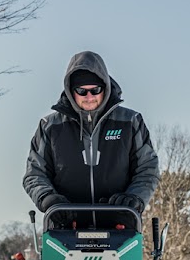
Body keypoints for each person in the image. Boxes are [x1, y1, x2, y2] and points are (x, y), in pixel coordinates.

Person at [23, 51, 159, 227]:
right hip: (66, 227)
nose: (89, 97)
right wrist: (48, 199)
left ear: (105, 87)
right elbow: (34, 173)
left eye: (95, 90)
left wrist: (134, 198)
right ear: (71, 91)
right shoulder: (50, 126)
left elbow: (148, 168)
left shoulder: (130, 122)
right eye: (82, 91)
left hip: (119, 226)